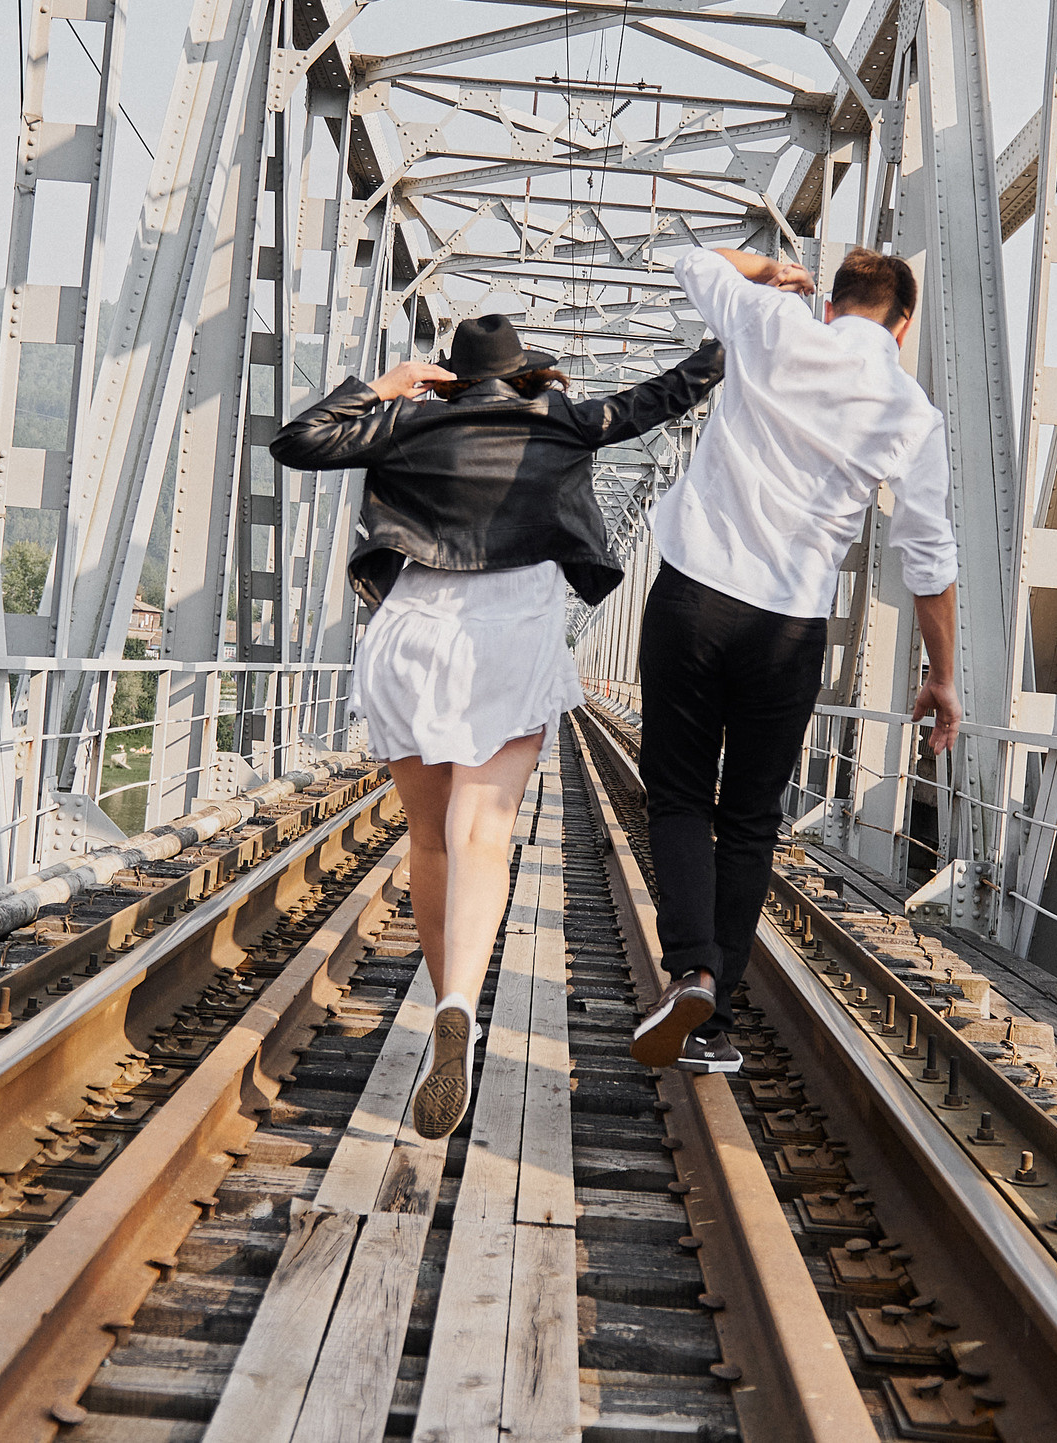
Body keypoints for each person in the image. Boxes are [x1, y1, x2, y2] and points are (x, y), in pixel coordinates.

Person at [274, 315, 722, 1137]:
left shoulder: (408, 419)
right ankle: (456, 1007)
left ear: (451, 375)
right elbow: (671, 393)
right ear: (524, 374)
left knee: (431, 838)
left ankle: (450, 1013)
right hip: (509, 632)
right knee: (482, 829)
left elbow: (298, 440)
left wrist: (389, 384)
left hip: (410, 631)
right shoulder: (563, 421)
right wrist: (741, 324)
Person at [628, 247, 961, 1075]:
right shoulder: (911, 414)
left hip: (693, 595)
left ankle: (693, 969)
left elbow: (690, 259)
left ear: (832, 303)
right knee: (747, 820)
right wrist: (942, 674)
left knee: (676, 793)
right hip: (788, 631)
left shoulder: (771, 322)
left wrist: (771, 269)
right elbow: (930, 560)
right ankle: (709, 1028)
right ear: (903, 323)